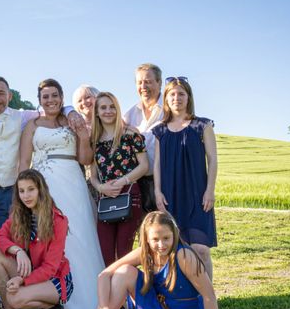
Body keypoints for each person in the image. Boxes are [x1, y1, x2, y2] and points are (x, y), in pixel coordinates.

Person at [0, 76, 81, 302]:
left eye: (1, 93)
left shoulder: (22, 116)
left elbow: (49, 107)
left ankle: (16, 287)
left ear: (9, 95)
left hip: (9, 187)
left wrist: (71, 109)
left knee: (16, 238)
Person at [19, 79, 104, 309]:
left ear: (62, 97)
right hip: (43, 185)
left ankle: (87, 303)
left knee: (79, 238)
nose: (50, 100)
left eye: (54, 95)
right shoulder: (32, 126)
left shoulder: (72, 121)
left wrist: (83, 136)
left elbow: (86, 159)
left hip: (73, 183)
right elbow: (24, 163)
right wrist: (23, 193)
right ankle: (47, 303)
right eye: (45, 96)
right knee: (46, 238)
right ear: (39, 99)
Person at [74, 211, 220, 309]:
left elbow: (209, 296)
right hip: (157, 304)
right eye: (155, 239)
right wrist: (105, 308)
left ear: (174, 234)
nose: (161, 244)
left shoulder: (183, 256)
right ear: (147, 239)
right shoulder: (145, 252)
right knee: (124, 271)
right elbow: (104, 275)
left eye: (166, 238)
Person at [0, 169, 73, 309]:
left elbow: (50, 267)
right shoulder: (18, 215)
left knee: (15, 298)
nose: (26, 195)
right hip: (29, 270)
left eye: (31, 189)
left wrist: (22, 281)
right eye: (22, 191)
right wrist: (18, 251)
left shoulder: (58, 220)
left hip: (54, 279)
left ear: (41, 190)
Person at [153, 77, 218, 278]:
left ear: (188, 97)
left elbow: (213, 160)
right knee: (175, 251)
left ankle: (208, 299)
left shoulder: (202, 126)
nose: (176, 98)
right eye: (172, 94)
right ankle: (181, 297)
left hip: (198, 194)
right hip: (170, 195)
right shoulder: (160, 131)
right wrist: (157, 192)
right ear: (166, 99)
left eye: (181, 94)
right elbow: (156, 165)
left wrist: (209, 191)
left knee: (201, 250)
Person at [90, 91, 149, 266]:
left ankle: (128, 292)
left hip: (129, 195)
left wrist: (122, 181)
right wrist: (101, 188)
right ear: (97, 112)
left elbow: (144, 166)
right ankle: (112, 293)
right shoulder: (94, 140)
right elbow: (93, 176)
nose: (108, 111)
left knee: (124, 255)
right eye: (103, 107)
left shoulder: (130, 134)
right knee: (106, 256)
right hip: (106, 198)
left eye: (112, 107)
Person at [123, 63, 164, 213]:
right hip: (139, 182)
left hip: (166, 180)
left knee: (171, 229)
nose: (143, 86)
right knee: (145, 231)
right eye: (139, 82)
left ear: (159, 83)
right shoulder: (129, 114)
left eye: (148, 81)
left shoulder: (169, 110)